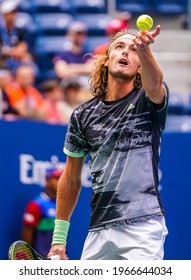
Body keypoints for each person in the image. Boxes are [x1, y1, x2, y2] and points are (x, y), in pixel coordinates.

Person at [48, 25, 169, 260]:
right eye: (120, 47)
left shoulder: (148, 100)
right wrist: (59, 240)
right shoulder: (82, 116)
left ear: (139, 67)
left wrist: (145, 51)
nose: (126, 52)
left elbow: (155, 84)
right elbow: (71, 178)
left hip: (142, 226)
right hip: (99, 230)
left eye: (133, 50)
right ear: (106, 60)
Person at [21, 167, 62, 258]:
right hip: (40, 257)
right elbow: (27, 233)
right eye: (56, 178)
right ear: (47, 181)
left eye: (61, 178)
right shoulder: (36, 204)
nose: (59, 182)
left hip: (57, 256)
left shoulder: (62, 204)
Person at [0, 0, 36, 72]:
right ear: (4, 14)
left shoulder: (20, 31)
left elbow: (22, 49)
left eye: (14, 12)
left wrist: (7, 51)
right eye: (10, 13)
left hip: (16, 59)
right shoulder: (1, 31)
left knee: (27, 58)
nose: (12, 15)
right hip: (3, 60)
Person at [53, 21, 93, 85]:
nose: (79, 36)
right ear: (69, 34)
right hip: (69, 87)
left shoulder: (88, 54)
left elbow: (92, 69)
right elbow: (62, 72)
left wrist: (71, 67)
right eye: (77, 34)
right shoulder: (61, 55)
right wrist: (84, 68)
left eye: (82, 34)